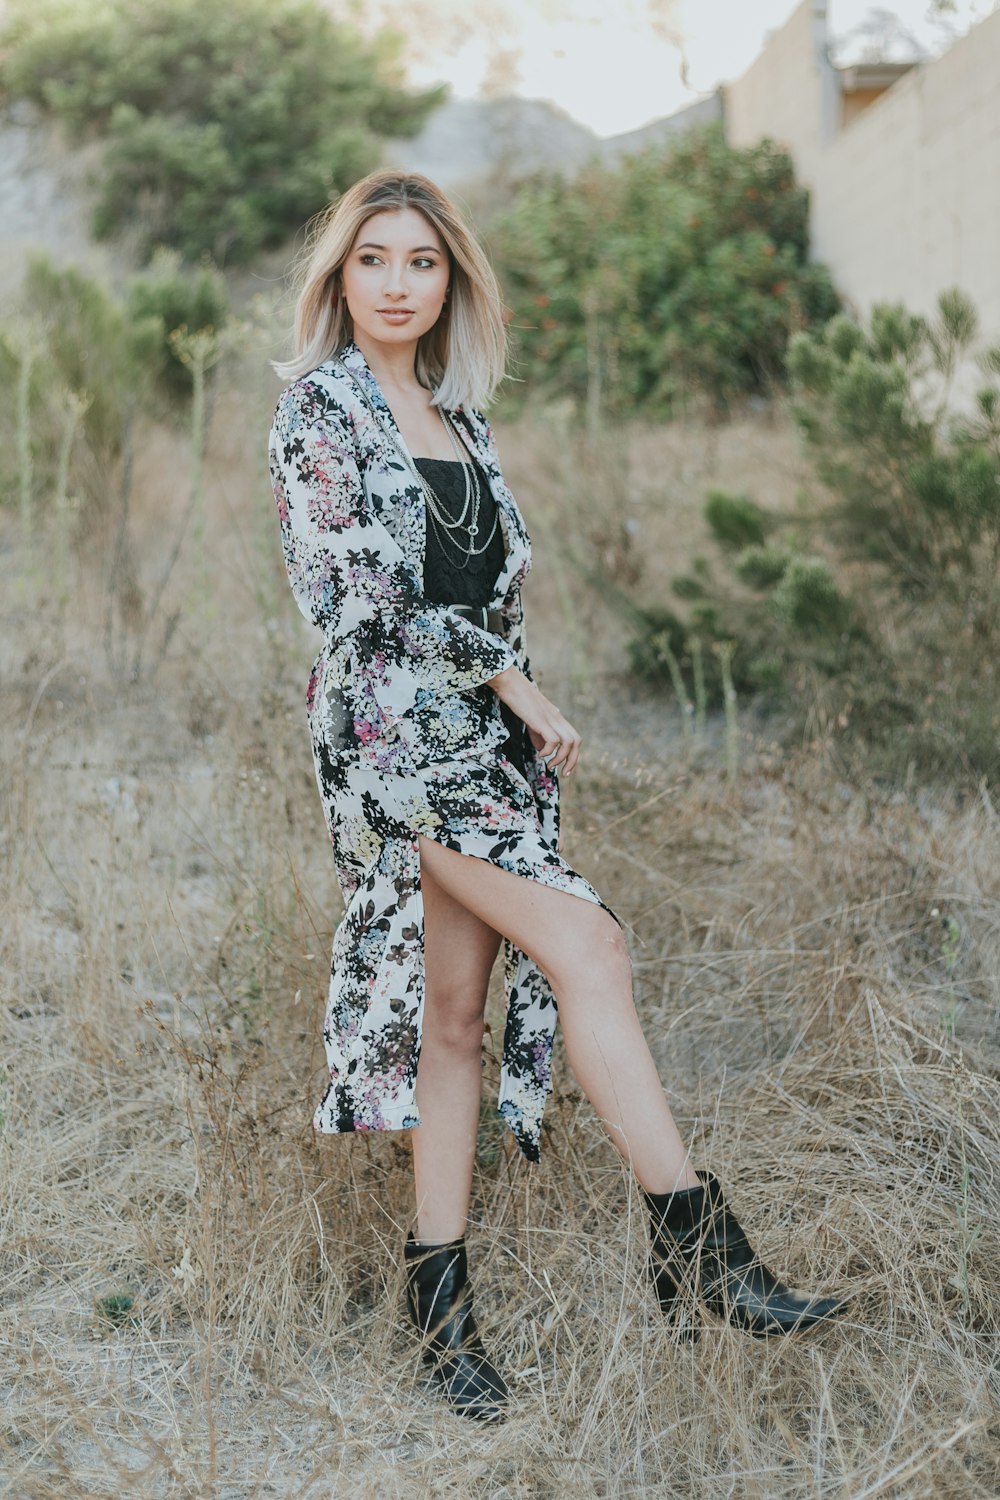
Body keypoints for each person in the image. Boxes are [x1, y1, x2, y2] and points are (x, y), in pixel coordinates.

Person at [267, 170, 846, 1424]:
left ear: (452, 281)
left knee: (458, 1021)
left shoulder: (458, 419)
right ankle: (698, 1251)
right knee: (590, 942)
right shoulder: (316, 412)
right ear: (340, 277)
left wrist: (505, 703)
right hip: (394, 758)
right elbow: (352, 601)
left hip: (484, 760)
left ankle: (440, 1315)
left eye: (422, 262)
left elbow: (489, 583)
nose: (398, 284)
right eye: (374, 260)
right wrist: (514, 682)